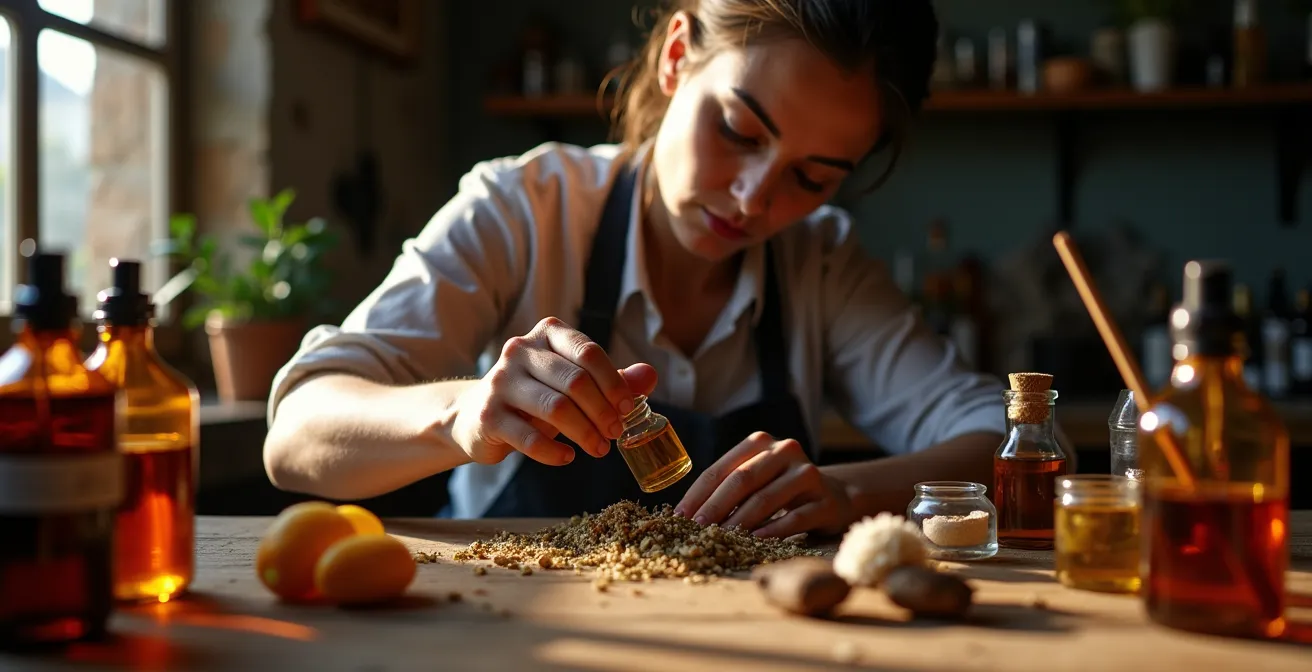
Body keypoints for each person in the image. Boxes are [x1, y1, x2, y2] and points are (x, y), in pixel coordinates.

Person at [263, 0, 1009, 539]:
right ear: (676, 57)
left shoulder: (821, 262)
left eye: (811, 179)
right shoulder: (527, 208)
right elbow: (295, 435)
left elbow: (1008, 438)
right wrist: (462, 415)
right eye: (738, 130)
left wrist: (846, 491)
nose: (753, 199)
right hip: (505, 629)